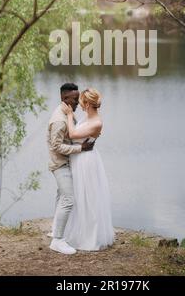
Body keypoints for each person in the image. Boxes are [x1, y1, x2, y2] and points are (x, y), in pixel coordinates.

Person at [62, 88, 114, 251]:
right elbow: (78, 131)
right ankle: (77, 231)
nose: (79, 104)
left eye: (82, 102)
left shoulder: (97, 122)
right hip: (79, 158)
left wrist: (69, 115)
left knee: (89, 197)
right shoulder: (87, 117)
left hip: (87, 161)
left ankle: (90, 237)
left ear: (88, 104)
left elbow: (73, 134)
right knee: (78, 196)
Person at [47, 83, 94, 255]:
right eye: (74, 99)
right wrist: (80, 149)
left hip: (66, 162)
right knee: (68, 199)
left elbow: (73, 133)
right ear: (64, 98)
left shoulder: (65, 113)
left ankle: (55, 230)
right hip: (60, 164)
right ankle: (57, 240)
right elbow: (57, 146)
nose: (77, 103)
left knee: (61, 195)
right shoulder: (59, 120)